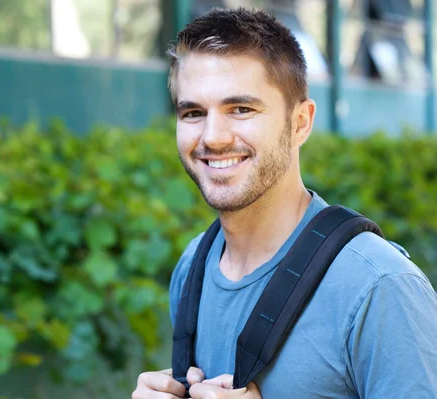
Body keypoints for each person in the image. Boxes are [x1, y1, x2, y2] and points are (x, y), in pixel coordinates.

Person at [132, 7, 437, 399]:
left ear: (300, 123)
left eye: (240, 109)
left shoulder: (380, 288)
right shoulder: (193, 268)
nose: (213, 137)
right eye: (193, 112)